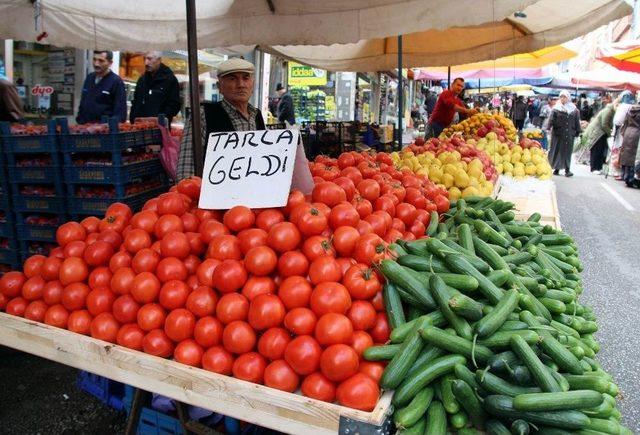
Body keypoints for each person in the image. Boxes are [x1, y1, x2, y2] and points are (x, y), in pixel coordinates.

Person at [176, 58, 266, 180]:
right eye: (232, 79)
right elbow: (186, 172)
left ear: (253, 84)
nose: (241, 85)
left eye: (246, 78)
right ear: (219, 86)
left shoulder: (257, 115)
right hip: (215, 196)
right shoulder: (202, 115)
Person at [130, 51, 181, 125]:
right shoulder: (142, 80)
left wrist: (160, 120)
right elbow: (135, 102)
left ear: (159, 60)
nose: (146, 63)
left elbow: (174, 105)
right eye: (144, 59)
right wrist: (133, 119)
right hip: (139, 128)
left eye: (149, 59)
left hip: (159, 130)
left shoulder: (170, 80)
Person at [76, 51, 127, 124]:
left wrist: (109, 129)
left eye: (101, 61)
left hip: (104, 131)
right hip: (85, 129)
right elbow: (83, 103)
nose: (96, 64)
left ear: (110, 63)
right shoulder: (89, 78)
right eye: (94, 59)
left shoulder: (116, 82)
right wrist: (80, 121)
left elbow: (120, 113)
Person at [547, 90, 581, 177]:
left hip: (569, 133)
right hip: (558, 133)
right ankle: (557, 169)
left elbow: (577, 121)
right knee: (558, 150)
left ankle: (567, 169)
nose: (563, 99)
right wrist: (548, 128)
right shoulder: (556, 108)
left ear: (568, 98)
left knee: (567, 151)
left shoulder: (574, 110)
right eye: (561, 97)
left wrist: (578, 131)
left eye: (564, 97)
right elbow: (551, 120)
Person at [582, 94, 615, 173]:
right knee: (596, 150)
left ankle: (598, 167)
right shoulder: (608, 110)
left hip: (602, 133)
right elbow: (604, 124)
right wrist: (610, 134)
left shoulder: (609, 110)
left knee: (600, 150)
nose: (603, 101)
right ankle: (594, 168)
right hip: (598, 133)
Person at [618, 103, 640, 187]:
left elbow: (625, 122)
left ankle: (625, 176)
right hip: (637, 133)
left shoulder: (630, 110)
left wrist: (623, 133)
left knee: (626, 155)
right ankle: (631, 178)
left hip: (628, 132)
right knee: (633, 156)